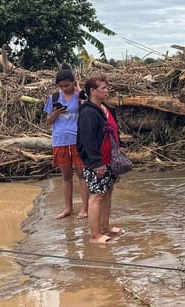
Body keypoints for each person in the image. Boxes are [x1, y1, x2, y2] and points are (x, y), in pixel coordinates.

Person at [77, 74, 122, 244]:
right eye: (103, 88)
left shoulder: (106, 108)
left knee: (107, 192)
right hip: (97, 161)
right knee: (96, 196)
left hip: (109, 158)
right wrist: (96, 162)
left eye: (106, 87)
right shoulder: (88, 112)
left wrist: (120, 146)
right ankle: (95, 236)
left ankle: (105, 227)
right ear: (92, 91)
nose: (106, 90)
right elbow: (87, 139)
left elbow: (113, 131)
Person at [44, 65, 88, 219]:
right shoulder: (54, 98)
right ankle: (68, 208)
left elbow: (87, 109)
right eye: (61, 86)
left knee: (82, 174)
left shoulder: (80, 96)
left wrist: (79, 90)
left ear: (73, 82)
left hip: (78, 139)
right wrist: (56, 112)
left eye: (67, 85)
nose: (64, 88)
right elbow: (48, 121)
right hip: (60, 140)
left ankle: (85, 208)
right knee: (66, 176)